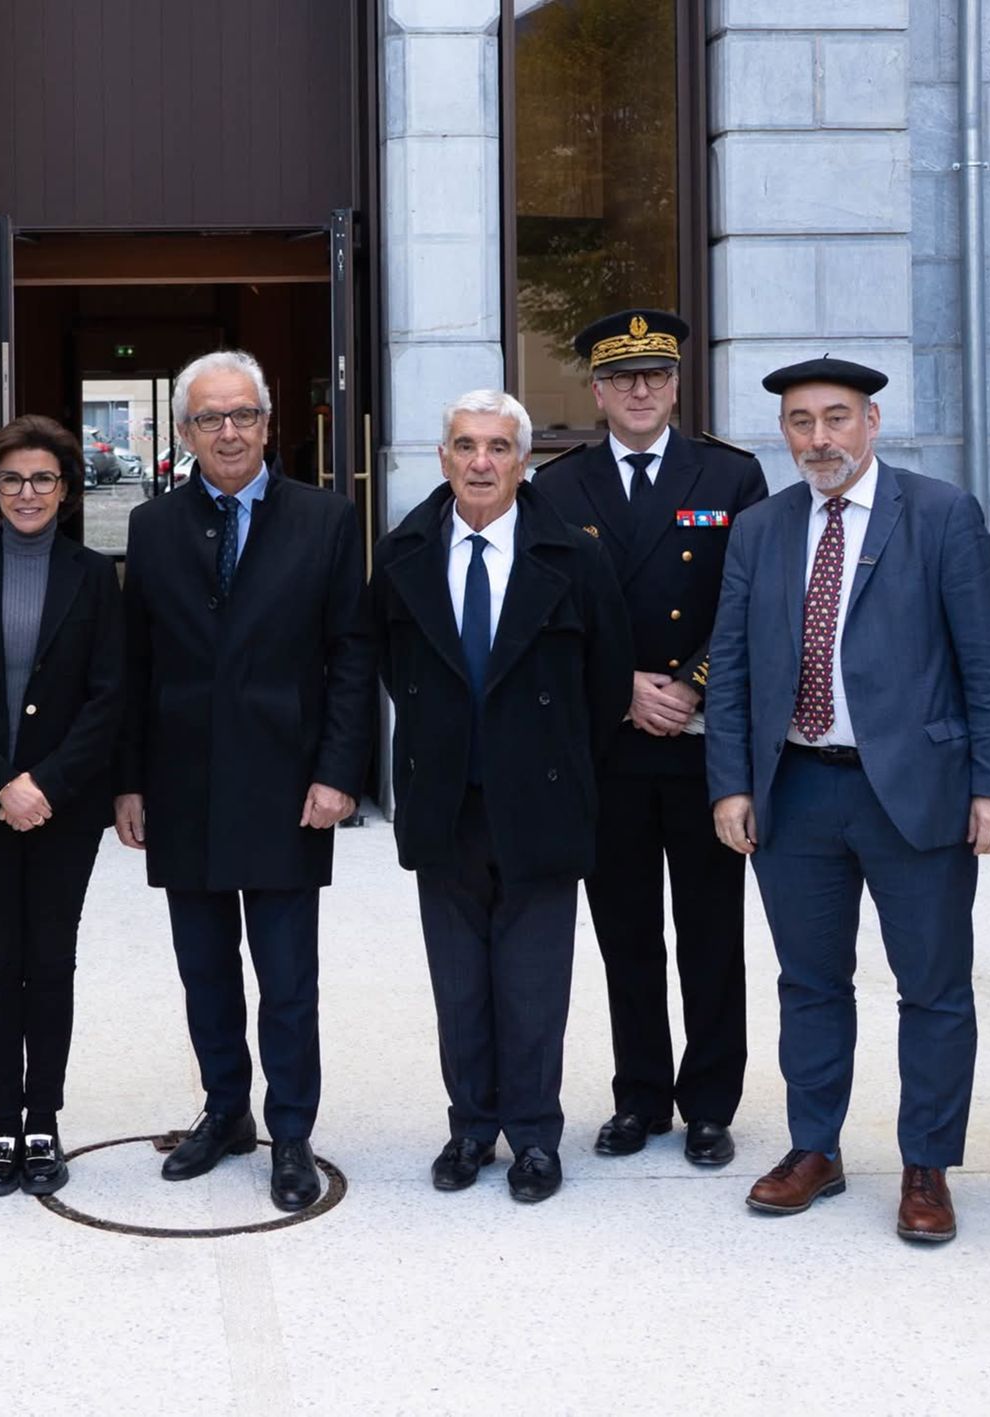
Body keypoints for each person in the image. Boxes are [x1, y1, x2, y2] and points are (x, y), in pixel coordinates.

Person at [706, 357, 990, 1244]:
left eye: (837, 418)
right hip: (797, 791)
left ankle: (926, 1163)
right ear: (785, 434)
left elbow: (989, 663)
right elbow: (729, 666)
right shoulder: (762, 528)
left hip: (915, 793)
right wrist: (730, 782)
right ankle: (816, 1148)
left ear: (873, 423)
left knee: (932, 986)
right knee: (809, 982)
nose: (820, 438)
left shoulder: (940, 514)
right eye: (802, 422)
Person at [115, 349, 374, 1213]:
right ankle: (225, 1111)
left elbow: (350, 656)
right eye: (209, 419)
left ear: (267, 423)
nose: (227, 432)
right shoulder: (152, 527)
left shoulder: (328, 519)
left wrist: (340, 772)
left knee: (287, 976)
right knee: (205, 970)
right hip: (183, 782)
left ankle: (290, 1131)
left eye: (243, 416)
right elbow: (134, 662)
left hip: (287, 783)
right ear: (185, 433)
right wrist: (128, 780)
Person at [373, 390, 634, 1203]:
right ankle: (471, 1128)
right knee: (459, 982)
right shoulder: (405, 552)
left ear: (525, 461)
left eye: (496, 447)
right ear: (443, 458)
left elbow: (605, 681)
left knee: (532, 983)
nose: (480, 462)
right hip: (444, 800)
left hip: (540, 801)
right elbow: (396, 669)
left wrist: (552, 760)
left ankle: (533, 1136)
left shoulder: (575, 557)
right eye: (464, 446)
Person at [532, 308, 768, 1167]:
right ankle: (640, 1096)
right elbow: (552, 614)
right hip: (613, 746)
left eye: (656, 375)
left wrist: (689, 682)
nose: (641, 390)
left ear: (676, 385)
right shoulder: (559, 487)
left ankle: (710, 1101)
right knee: (625, 931)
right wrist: (624, 685)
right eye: (623, 377)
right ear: (596, 391)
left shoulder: (732, 477)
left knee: (711, 932)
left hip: (705, 743)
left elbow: (751, 601)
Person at [0, 415, 124, 1199]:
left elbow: (108, 696)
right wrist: (1, 782)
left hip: (64, 808)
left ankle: (45, 1118)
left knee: (51, 962)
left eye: (42, 479)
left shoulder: (93, 575)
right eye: (12, 479)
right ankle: (2, 1122)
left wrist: (46, 783)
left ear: (67, 489)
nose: (27, 492)